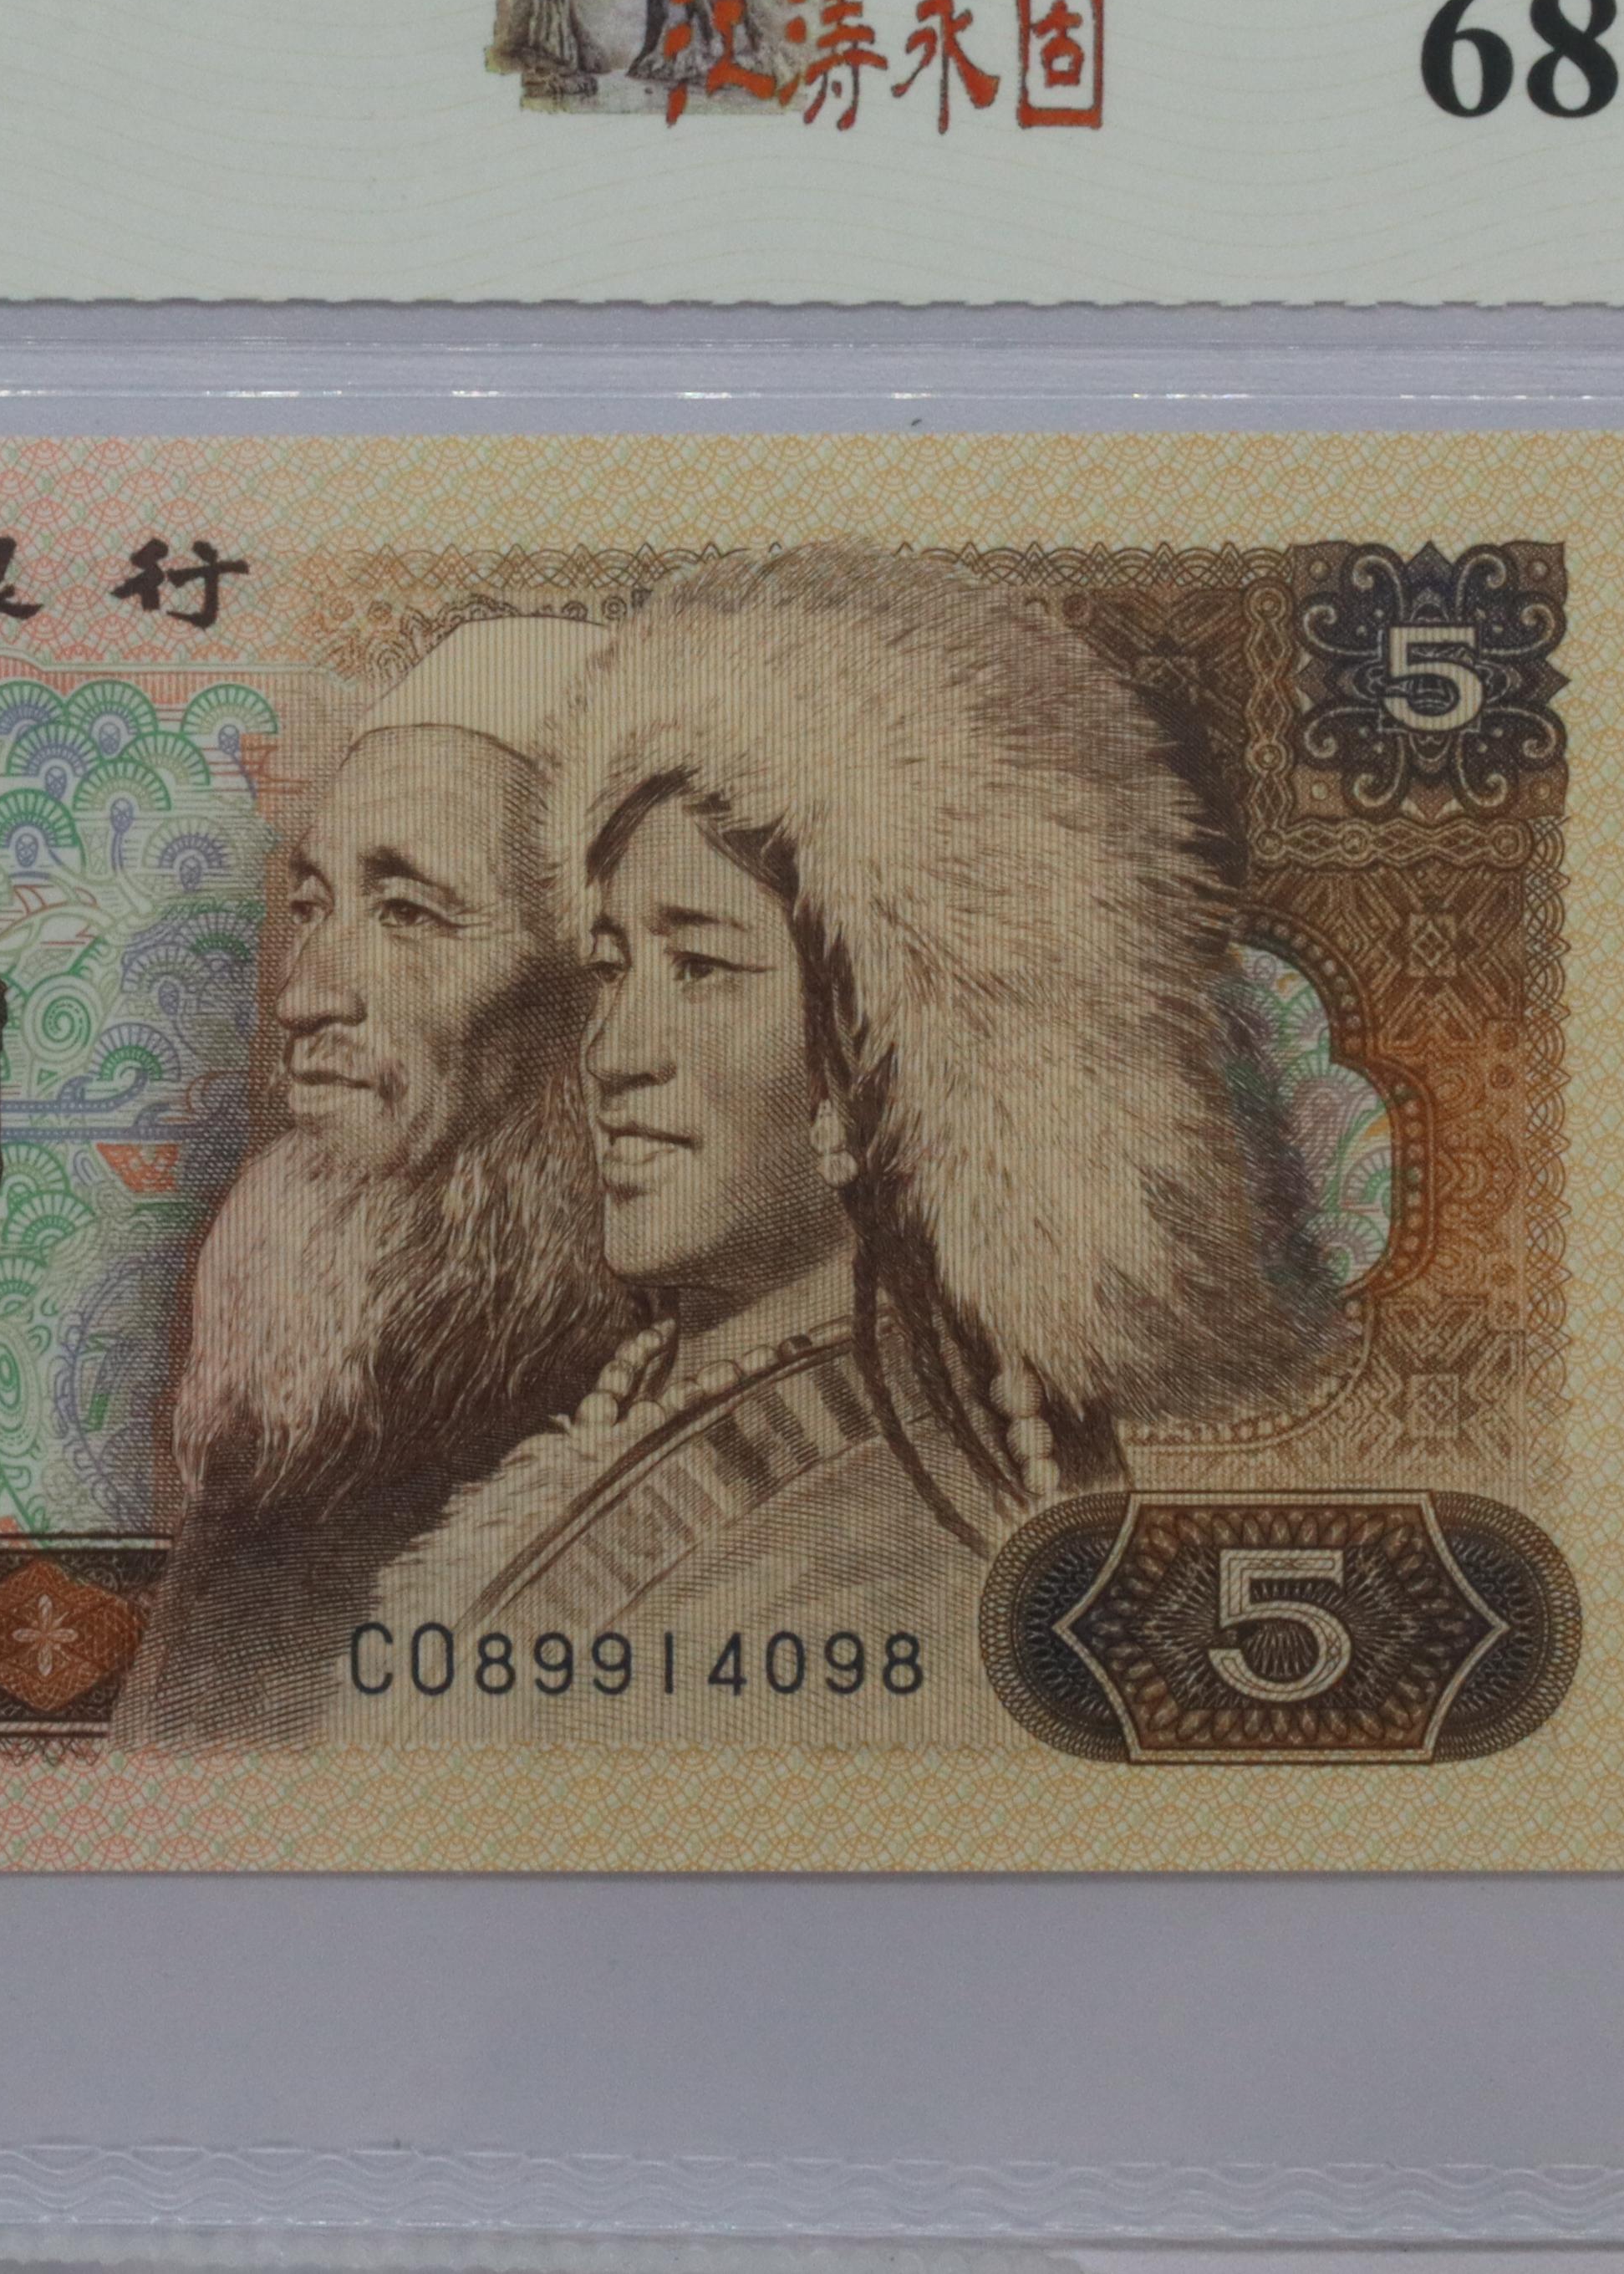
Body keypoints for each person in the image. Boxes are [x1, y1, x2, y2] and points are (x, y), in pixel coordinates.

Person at [346, 545, 1321, 1741]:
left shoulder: (891, 1545)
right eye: (609, 966)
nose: (613, 1051)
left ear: (884, 1052)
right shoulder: (660, 1401)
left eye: (701, 967)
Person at [116, 614, 631, 1748]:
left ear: (590, 988)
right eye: (312, 905)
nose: (303, 995)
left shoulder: (636, 1421)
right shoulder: (294, 1406)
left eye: (407, 912)